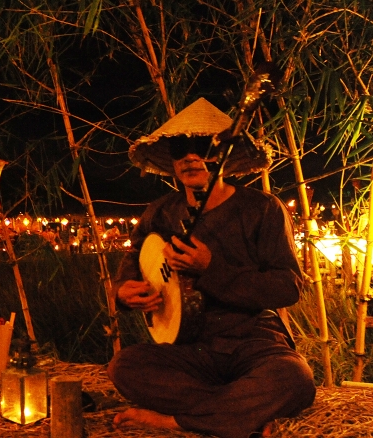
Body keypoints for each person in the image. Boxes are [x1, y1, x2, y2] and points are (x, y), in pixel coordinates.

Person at [108, 98, 315, 438]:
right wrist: (124, 292)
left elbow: (288, 287)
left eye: (203, 146)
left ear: (225, 154)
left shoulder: (262, 208)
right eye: (180, 148)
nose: (191, 157)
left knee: (294, 379)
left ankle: (175, 421)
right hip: (190, 349)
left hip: (252, 340)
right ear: (172, 161)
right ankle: (240, 413)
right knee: (125, 367)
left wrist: (210, 267)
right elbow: (132, 263)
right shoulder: (159, 213)